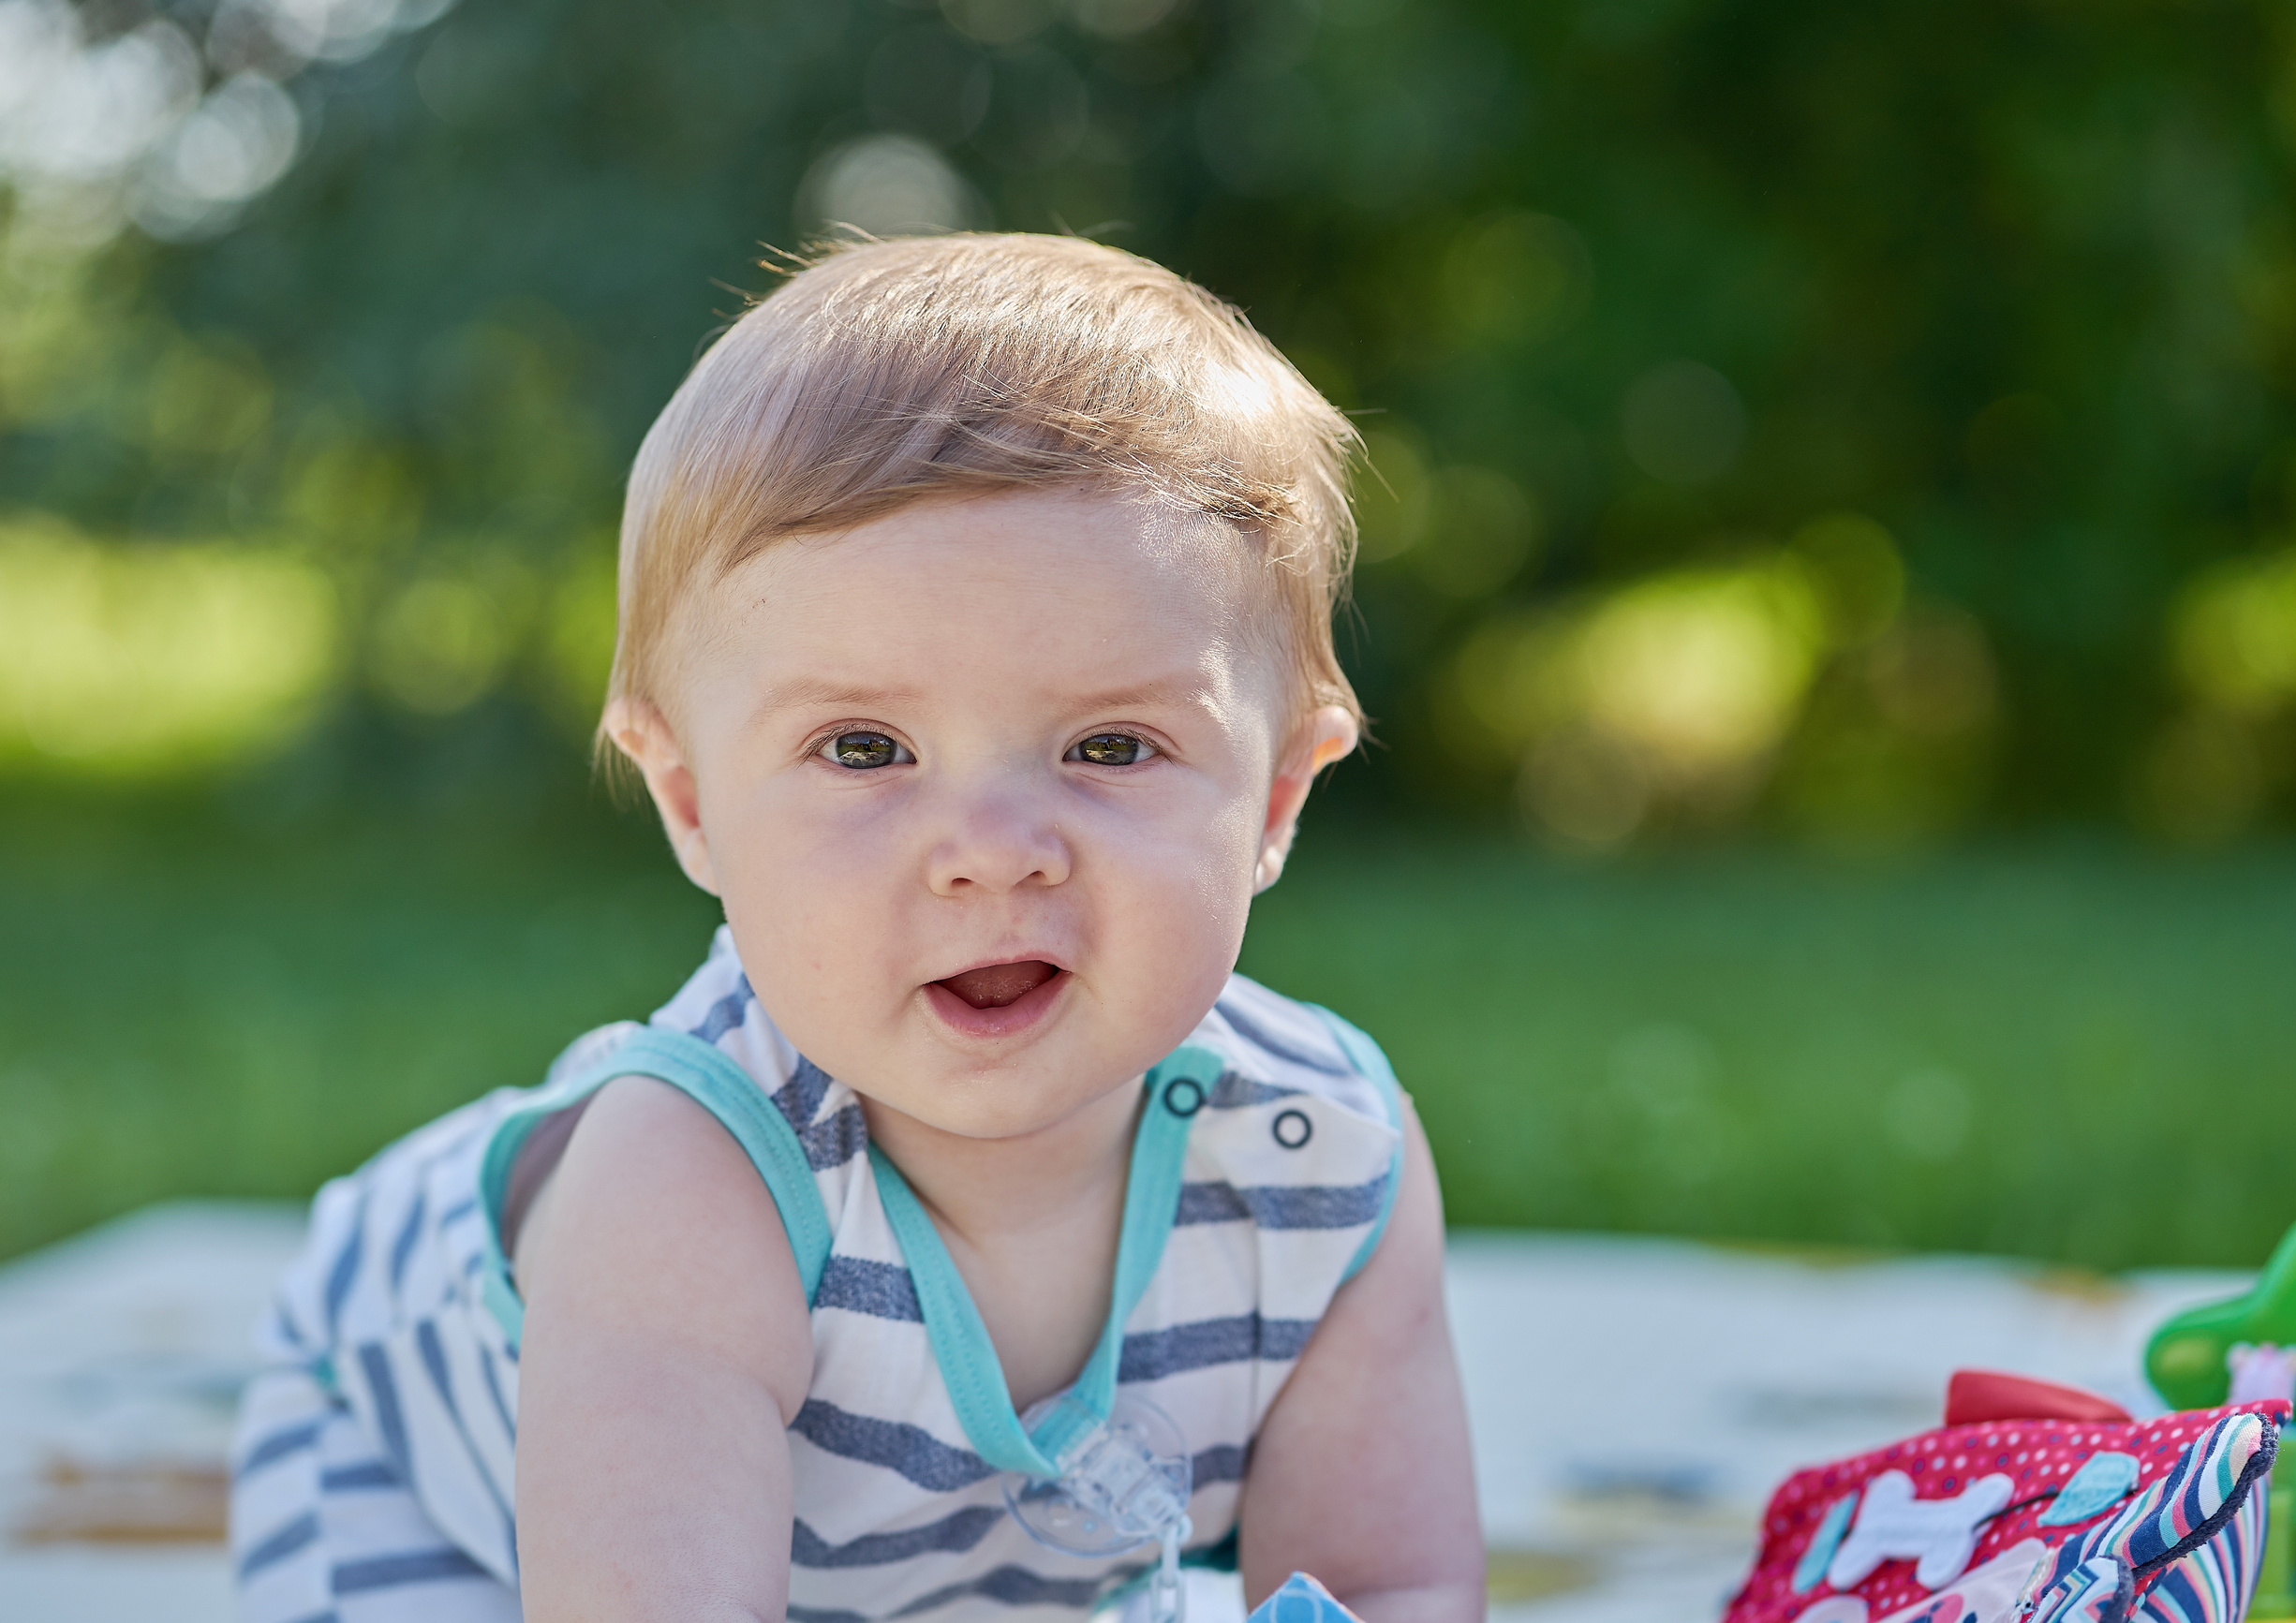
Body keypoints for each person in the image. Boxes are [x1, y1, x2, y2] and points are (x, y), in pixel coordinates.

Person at [228, 233, 1484, 1623]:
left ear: (1277, 795)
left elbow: (1389, 1584)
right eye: (867, 748)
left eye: (1112, 746)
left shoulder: (1325, 1157)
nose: (993, 852)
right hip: (427, 1474)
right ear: (693, 803)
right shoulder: (687, 1191)